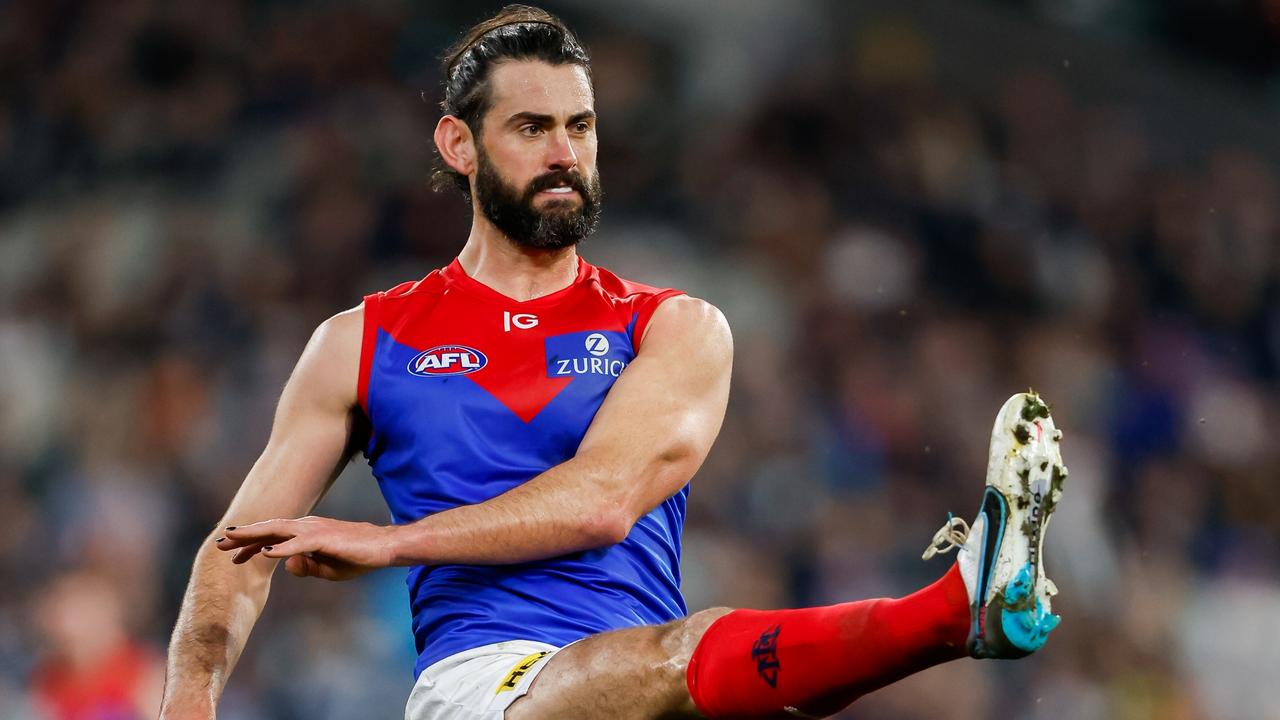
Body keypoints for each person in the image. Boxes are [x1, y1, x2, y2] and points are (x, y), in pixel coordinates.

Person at [160, 6, 1068, 719]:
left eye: (581, 127)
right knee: (678, 657)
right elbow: (237, 552)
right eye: (531, 128)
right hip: (488, 688)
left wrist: (390, 541)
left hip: (646, 684)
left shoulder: (676, 329)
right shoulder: (360, 342)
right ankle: (955, 611)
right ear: (458, 145)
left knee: (683, 664)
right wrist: (189, 700)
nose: (566, 155)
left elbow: (602, 502)